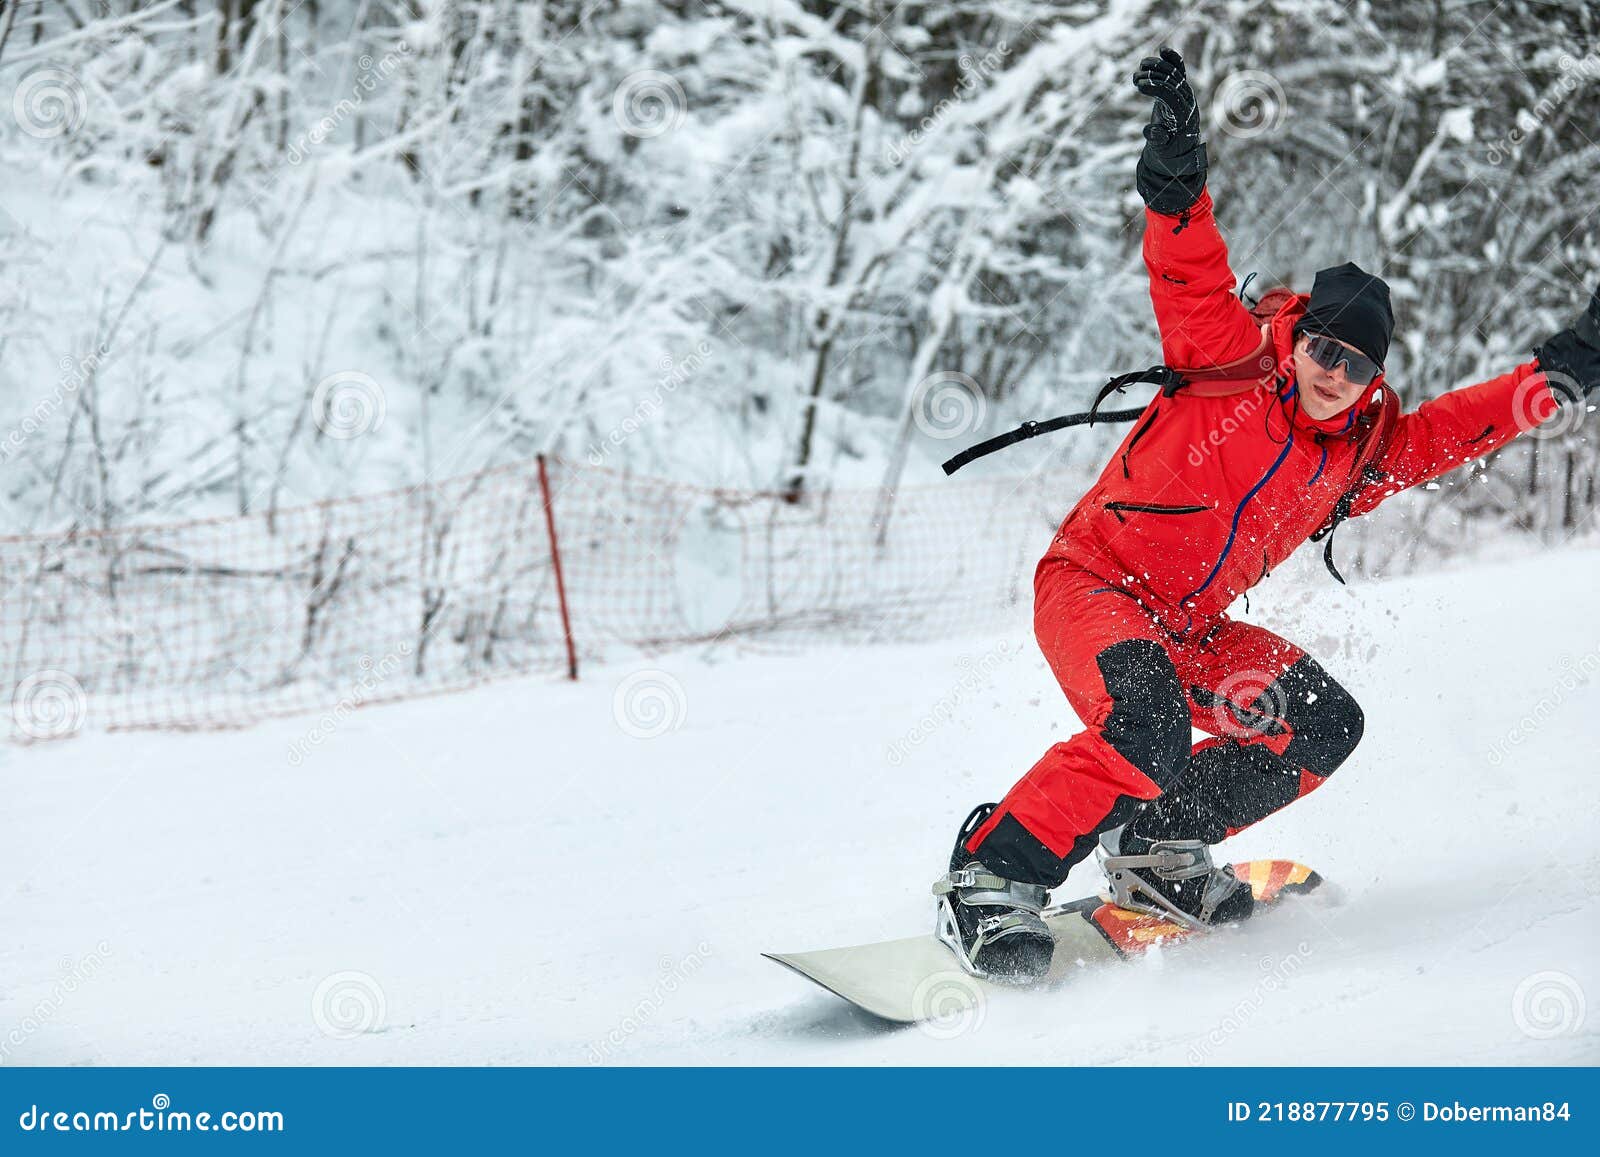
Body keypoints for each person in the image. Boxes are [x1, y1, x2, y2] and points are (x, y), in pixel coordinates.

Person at [931, 48, 1600, 983]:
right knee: (1147, 724)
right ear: (1301, 337)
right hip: (1094, 587)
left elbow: (1461, 426)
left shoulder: (1361, 451)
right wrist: (1175, 175)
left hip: (1189, 627)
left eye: (1357, 364)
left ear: (1375, 378)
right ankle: (990, 875)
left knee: (1321, 722)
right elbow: (1187, 265)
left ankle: (1157, 850)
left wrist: (1565, 370)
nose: (1334, 372)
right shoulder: (1227, 360)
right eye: (1324, 347)